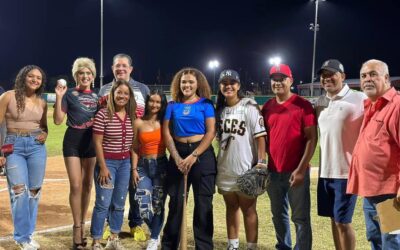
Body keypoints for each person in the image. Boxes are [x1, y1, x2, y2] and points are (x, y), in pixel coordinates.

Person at [261, 64, 317, 250]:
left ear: (290, 80)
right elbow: (263, 139)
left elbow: (311, 138)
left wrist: (301, 169)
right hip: (273, 171)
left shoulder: (303, 105)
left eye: (282, 78)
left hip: (296, 171)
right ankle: (283, 246)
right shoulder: (268, 107)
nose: (277, 83)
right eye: (274, 79)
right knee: (278, 214)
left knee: (300, 217)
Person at [346, 59, 400, 250]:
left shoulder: (396, 106)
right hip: (370, 191)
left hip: (390, 193)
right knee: (375, 237)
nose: (367, 79)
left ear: (386, 78)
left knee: (392, 241)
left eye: (373, 74)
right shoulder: (371, 105)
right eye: (363, 76)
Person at [161, 67, 217, 249]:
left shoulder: (206, 104)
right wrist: (176, 157)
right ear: (179, 84)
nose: (187, 85)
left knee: (203, 205)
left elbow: (210, 133)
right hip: (178, 153)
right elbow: (166, 133)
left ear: (197, 84)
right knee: (176, 204)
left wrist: (194, 155)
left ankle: (204, 246)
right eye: (184, 82)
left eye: (191, 82)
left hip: (202, 155)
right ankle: (169, 245)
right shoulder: (172, 105)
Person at [314, 59, 366, 250]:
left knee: (343, 222)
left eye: (331, 74)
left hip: (346, 173)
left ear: (342, 76)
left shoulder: (359, 99)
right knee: (333, 220)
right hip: (325, 172)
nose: (327, 79)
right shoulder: (321, 103)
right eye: (323, 75)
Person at [98, 53, 149, 241]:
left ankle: (136, 224)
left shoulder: (142, 89)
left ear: (130, 69)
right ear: (112, 69)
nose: (120, 69)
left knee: (135, 187)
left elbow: (151, 115)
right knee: (111, 188)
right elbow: (98, 118)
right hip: (111, 150)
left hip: (136, 149)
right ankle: (110, 224)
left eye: (124, 66)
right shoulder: (104, 89)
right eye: (117, 66)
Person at [215, 69, 267, 250]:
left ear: (238, 85)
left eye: (232, 82)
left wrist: (261, 162)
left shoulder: (249, 105)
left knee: (249, 210)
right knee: (231, 208)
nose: (228, 86)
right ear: (220, 86)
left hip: (246, 168)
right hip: (225, 168)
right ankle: (233, 245)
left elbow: (260, 137)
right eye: (224, 83)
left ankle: (251, 247)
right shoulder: (219, 110)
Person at [0, 65, 48, 250]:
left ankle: (28, 234)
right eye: (31, 76)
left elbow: (44, 127)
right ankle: (21, 237)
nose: (35, 80)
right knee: (19, 191)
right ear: (23, 77)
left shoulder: (41, 102)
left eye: (38, 78)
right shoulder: (8, 96)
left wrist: (45, 133)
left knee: (34, 192)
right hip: (13, 146)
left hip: (36, 147)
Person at [53, 57, 99, 249]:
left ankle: (83, 222)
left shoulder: (98, 96)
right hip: (73, 140)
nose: (85, 76)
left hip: (92, 142)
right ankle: (77, 228)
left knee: (88, 185)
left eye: (88, 73)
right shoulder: (69, 94)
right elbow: (57, 120)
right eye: (81, 73)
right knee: (76, 184)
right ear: (76, 76)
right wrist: (58, 97)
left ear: (93, 76)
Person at [90, 80, 136, 250]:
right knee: (103, 203)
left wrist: (132, 167)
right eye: (119, 93)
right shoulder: (103, 114)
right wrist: (102, 167)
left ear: (129, 96)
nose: (122, 96)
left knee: (119, 203)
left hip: (125, 164)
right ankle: (96, 240)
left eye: (126, 93)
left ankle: (113, 238)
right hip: (107, 163)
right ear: (113, 94)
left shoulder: (132, 116)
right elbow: (97, 143)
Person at [131, 89, 168, 250]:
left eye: (158, 102)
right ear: (147, 103)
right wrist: (133, 169)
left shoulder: (166, 122)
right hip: (142, 167)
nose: (154, 104)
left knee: (158, 205)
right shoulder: (138, 122)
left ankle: (153, 239)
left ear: (162, 104)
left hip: (161, 166)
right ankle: (157, 231)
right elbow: (134, 148)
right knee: (143, 206)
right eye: (152, 101)